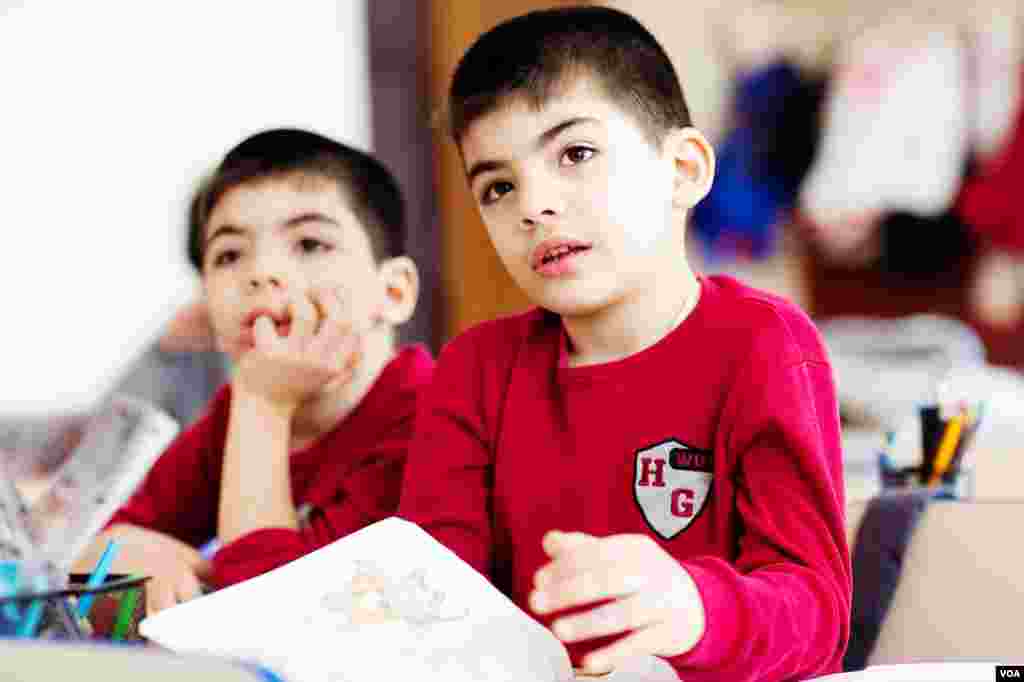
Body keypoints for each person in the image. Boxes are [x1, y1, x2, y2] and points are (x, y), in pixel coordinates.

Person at [398, 7, 850, 681]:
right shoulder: (473, 368)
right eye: (498, 186)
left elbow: (818, 615)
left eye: (575, 155)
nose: (533, 205)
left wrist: (694, 608)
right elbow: (431, 602)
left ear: (684, 170)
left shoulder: (763, 342)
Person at [73, 128, 434, 615]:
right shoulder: (230, 416)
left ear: (393, 293)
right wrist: (133, 551)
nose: (261, 273)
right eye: (229, 255)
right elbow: (80, 555)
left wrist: (263, 405)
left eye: (309, 244)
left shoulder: (433, 415)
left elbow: (275, 622)